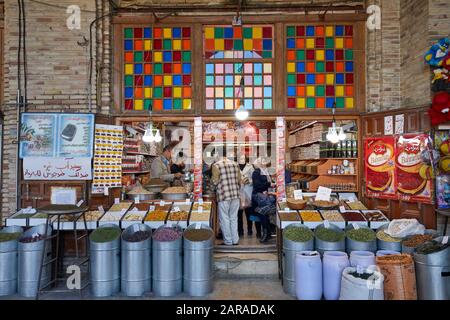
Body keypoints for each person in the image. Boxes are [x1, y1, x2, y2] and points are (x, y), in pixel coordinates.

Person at [211, 155, 242, 246]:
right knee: (233, 218)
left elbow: (215, 182)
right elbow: (239, 180)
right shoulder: (235, 164)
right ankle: (235, 240)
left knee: (224, 219)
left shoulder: (216, 165)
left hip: (224, 195)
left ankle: (228, 241)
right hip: (235, 195)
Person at [251, 157, 277, 243]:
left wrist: (271, 184)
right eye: (263, 161)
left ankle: (267, 234)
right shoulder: (256, 172)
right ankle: (266, 234)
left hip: (266, 197)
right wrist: (269, 184)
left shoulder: (266, 172)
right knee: (262, 215)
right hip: (259, 198)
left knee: (265, 215)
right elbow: (257, 185)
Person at [237, 159, 261, 237]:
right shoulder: (235, 166)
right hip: (239, 192)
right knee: (239, 214)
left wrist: (249, 181)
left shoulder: (250, 166)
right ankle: (240, 231)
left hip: (248, 191)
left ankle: (250, 229)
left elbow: (254, 179)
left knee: (249, 213)